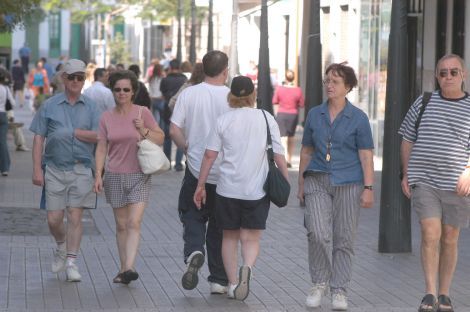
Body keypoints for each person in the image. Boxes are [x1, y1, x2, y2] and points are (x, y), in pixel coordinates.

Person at [193, 76, 287, 300]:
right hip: (257, 190)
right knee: (251, 238)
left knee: (229, 238)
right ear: (253, 95)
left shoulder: (223, 121)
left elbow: (209, 155)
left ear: (231, 96)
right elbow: (279, 155)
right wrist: (285, 180)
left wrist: (200, 185)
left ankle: (234, 283)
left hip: (227, 190)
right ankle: (248, 268)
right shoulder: (266, 118)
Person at [298, 63, 374, 310]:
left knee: (344, 238)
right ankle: (319, 282)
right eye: (327, 81)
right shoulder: (314, 114)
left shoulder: (359, 118)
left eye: (336, 82)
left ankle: (339, 289)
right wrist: (300, 183)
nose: (330, 85)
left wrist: (369, 187)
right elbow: (307, 150)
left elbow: (366, 155)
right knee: (317, 233)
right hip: (317, 179)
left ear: (348, 87)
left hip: (349, 183)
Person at [399, 54, 470, 312]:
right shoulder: (424, 102)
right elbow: (407, 138)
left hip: (457, 185)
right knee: (431, 234)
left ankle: (445, 293)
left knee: (450, 238)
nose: (448, 77)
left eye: (453, 72)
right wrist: (406, 174)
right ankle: (429, 292)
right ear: (437, 76)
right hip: (425, 180)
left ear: (463, 75)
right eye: (443, 73)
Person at [29, 59, 100, 282]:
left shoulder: (92, 106)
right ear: (64, 79)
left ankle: (71, 261)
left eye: (80, 77)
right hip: (54, 168)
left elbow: (100, 136)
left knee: (75, 216)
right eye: (72, 77)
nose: (76, 81)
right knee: (53, 219)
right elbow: (39, 138)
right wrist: (36, 170)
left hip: (81, 168)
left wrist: (77, 133)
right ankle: (61, 245)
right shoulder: (49, 105)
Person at [94, 70, 164, 285]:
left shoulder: (143, 112)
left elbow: (160, 138)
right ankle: (124, 268)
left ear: (133, 91)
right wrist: (98, 174)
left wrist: (143, 130)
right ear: (112, 91)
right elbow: (102, 146)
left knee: (134, 222)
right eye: (117, 89)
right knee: (121, 225)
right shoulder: (106, 116)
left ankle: (129, 267)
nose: (121, 93)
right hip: (114, 175)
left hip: (139, 175)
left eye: (126, 89)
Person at [170, 50, 230, 294]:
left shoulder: (189, 94)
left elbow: (174, 129)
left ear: (203, 69)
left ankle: (194, 249)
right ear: (225, 70)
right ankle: (218, 280)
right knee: (219, 226)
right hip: (226, 172)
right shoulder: (232, 97)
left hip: (196, 168)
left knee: (192, 213)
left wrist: (186, 148)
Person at [272, 69, 304, 168]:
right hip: (293, 115)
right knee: (291, 137)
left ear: (285, 78)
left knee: (283, 138)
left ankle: (285, 157)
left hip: (282, 114)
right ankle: (289, 159)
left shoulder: (279, 89)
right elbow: (302, 104)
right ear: (294, 78)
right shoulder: (298, 90)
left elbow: (274, 101)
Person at [161, 59, 187, 171]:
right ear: (179, 67)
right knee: (181, 137)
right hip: (181, 112)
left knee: (167, 137)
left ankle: (167, 163)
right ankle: (178, 164)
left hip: (168, 110)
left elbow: (162, 94)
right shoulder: (184, 79)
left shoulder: (165, 80)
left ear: (170, 67)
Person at [0, 74, 15, 176]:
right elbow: (13, 103)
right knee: (3, 142)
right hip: (3, 115)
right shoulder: (5, 88)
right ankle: (5, 168)